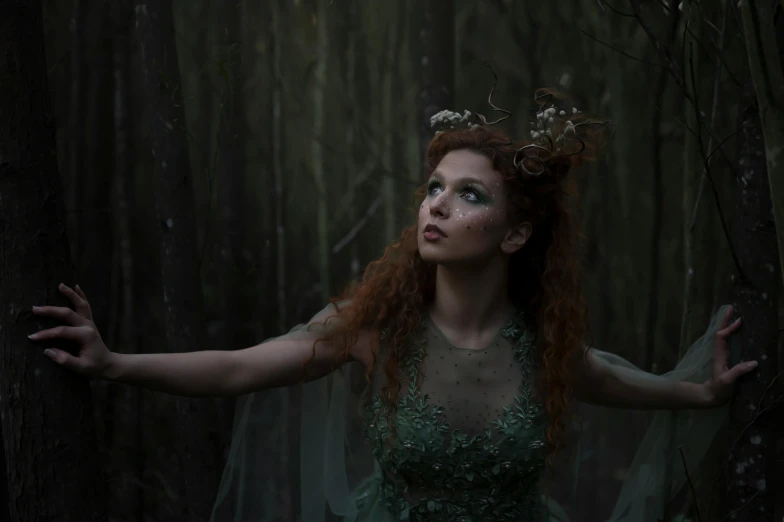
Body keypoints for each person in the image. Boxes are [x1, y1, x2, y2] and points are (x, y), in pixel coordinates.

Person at [29, 88, 755, 522]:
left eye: (469, 194)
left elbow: (619, 382)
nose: (437, 204)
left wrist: (701, 393)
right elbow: (237, 369)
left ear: (517, 233)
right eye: (434, 186)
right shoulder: (374, 330)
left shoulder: (542, 343)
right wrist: (113, 362)